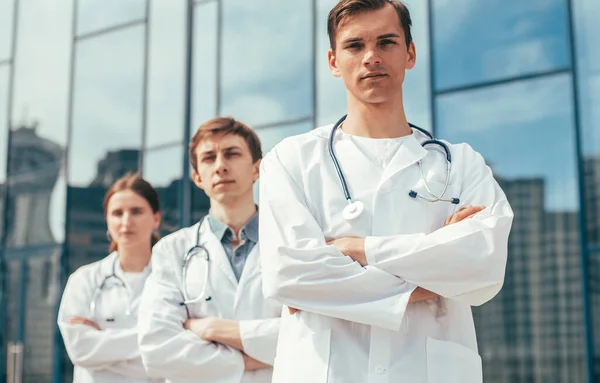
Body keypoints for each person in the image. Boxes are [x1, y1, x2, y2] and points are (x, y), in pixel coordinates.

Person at [258, 1, 514, 382]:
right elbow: (288, 276)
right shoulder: (291, 160)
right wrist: (433, 280)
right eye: (354, 45)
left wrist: (357, 250)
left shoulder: (460, 164)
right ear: (333, 61)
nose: (371, 57)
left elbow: (483, 266)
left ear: (410, 53)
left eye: (387, 42)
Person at [138, 117, 281, 383]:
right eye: (208, 158)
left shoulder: (289, 241)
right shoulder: (172, 251)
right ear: (197, 177)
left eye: (232, 154)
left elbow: (312, 331)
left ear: (256, 169)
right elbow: (158, 350)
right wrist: (251, 359)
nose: (220, 166)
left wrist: (215, 329)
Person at [58, 173, 164, 383]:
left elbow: (181, 350)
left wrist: (104, 345)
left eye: (136, 211)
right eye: (117, 213)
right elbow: (81, 350)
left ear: (156, 219)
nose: (126, 221)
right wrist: (155, 338)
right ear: (107, 220)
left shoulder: (173, 280)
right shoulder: (84, 280)